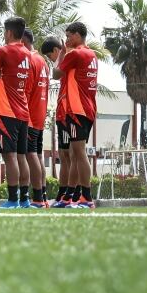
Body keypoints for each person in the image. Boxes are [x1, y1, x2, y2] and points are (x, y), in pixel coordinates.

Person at [0, 17, 32, 209]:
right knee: (22, 157)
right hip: (24, 112)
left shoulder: (1, 52)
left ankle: (13, 199)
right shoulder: (28, 54)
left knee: (10, 157)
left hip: (7, 112)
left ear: (8, 32)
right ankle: (25, 199)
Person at [53, 22, 98, 209]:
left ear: (78, 35)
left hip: (77, 109)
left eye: (69, 35)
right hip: (87, 109)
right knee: (74, 153)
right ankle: (70, 197)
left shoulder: (76, 54)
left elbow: (56, 74)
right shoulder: (91, 54)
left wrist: (62, 53)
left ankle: (86, 197)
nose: (67, 39)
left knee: (78, 153)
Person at [40, 37, 70, 206]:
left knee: (69, 156)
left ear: (56, 51)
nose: (52, 61)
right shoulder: (65, 61)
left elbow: (55, 74)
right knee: (64, 155)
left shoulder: (67, 59)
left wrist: (61, 56)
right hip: (62, 112)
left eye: (51, 56)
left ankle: (69, 193)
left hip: (68, 113)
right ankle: (64, 193)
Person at [22, 30, 50, 208]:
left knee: (30, 154)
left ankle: (38, 199)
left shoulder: (30, 60)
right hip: (40, 115)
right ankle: (43, 197)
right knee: (37, 155)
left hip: (30, 116)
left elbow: (26, 90)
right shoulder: (43, 61)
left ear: (23, 40)